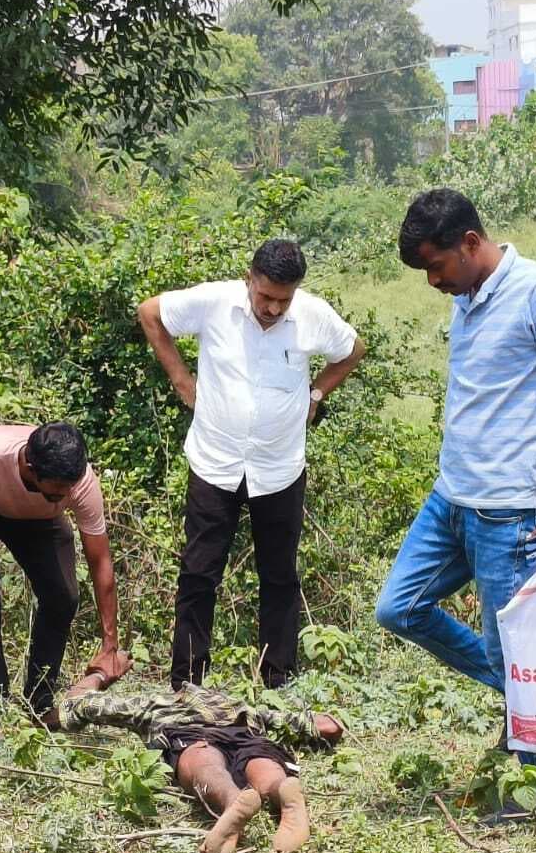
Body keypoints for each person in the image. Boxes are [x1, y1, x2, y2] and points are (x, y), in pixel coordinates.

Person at [374, 190, 536, 820]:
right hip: (452, 500)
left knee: (514, 648)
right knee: (399, 608)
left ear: (470, 242)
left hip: (511, 512)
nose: (434, 281)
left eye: (436, 266)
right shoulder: (468, 298)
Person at [137, 239, 366, 690]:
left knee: (279, 577)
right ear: (249, 279)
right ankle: (187, 683)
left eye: (283, 299)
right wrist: (182, 379)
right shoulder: (214, 303)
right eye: (265, 296)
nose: (273, 307)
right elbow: (150, 313)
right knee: (199, 573)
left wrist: (316, 395)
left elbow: (353, 350)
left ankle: (278, 683)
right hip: (214, 462)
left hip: (279, 468)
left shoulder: (312, 316)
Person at [0, 422, 127, 721]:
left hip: (37, 519)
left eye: (71, 485)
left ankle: (39, 703)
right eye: (58, 488)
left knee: (63, 598)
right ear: (30, 468)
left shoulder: (79, 482)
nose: (68, 493)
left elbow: (100, 561)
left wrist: (110, 645)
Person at [56, 663, 343, 853]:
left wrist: (98, 674)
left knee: (204, 764)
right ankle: (285, 795)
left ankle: (233, 802)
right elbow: (321, 725)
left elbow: (79, 703)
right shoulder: (238, 703)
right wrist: (324, 725)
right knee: (261, 761)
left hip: (188, 735)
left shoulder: (152, 703)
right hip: (243, 730)